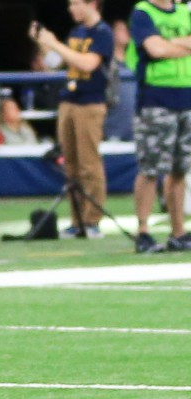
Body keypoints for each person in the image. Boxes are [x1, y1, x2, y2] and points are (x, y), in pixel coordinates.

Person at [31, 0, 113, 240]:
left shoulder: (102, 32)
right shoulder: (77, 31)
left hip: (90, 103)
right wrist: (42, 42)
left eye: (75, 3)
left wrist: (55, 43)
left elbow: (87, 64)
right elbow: (55, 63)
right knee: (71, 165)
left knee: (89, 164)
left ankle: (92, 220)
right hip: (69, 100)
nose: (70, 9)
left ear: (92, 4)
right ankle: (77, 221)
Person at [127, 0, 191, 253]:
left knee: (180, 169)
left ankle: (178, 232)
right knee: (150, 168)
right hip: (156, 99)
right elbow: (155, 49)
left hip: (186, 97)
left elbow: (162, 47)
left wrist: (168, 44)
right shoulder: (143, 12)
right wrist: (183, 45)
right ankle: (143, 231)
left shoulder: (184, 11)